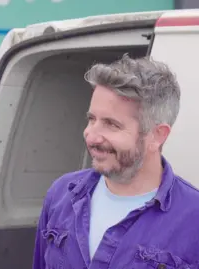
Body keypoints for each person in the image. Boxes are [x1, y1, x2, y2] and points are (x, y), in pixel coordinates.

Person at [32, 54, 199, 268]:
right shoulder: (62, 194)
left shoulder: (193, 219)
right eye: (91, 119)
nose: (91, 136)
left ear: (157, 136)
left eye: (111, 124)